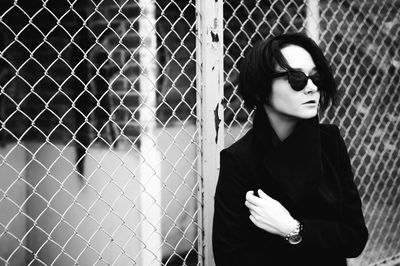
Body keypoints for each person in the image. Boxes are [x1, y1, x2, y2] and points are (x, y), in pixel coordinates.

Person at [212, 33, 368, 266]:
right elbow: (230, 257)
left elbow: (355, 237)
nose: (312, 88)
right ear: (260, 88)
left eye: (316, 77)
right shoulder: (239, 160)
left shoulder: (330, 142)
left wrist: (292, 228)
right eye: (296, 78)